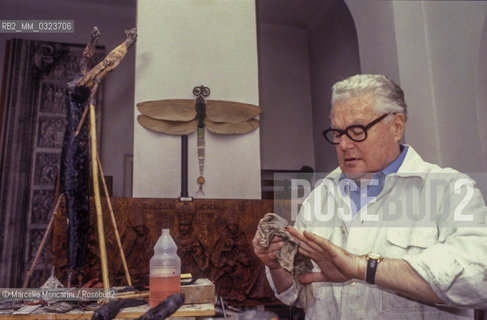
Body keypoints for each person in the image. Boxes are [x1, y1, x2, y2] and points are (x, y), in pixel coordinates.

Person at [252, 74, 487, 319]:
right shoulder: (320, 196)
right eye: (337, 133)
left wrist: (364, 267)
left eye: (356, 130)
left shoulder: (450, 189)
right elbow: (299, 294)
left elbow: (479, 280)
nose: (343, 144)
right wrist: (276, 264)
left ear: (396, 126)